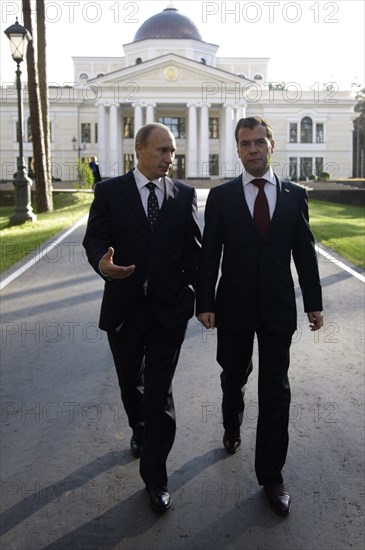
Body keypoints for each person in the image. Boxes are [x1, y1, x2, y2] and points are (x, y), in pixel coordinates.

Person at [196, 116, 323, 516]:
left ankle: (271, 476)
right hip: (232, 309)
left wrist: (314, 303)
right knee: (234, 377)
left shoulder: (294, 195)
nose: (252, 149)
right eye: (245, 143)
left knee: (276, 390)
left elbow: (304, 252)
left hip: (277, 310)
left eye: (259, 142)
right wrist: (204, 302)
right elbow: (209, 254)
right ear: (238, 149)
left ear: (272, 145)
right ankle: (231, 425)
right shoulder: (221, 197)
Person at [83, 123, 202, 512]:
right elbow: (95, 238)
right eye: (163, 150)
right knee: (130, 385)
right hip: (124, 310)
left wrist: (204, 299)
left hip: (169, 311)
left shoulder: (184, 195)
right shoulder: (109, 192)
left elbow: (195, 251)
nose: (170, 158)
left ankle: (156, 478)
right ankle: (138, 429)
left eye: (173, 151)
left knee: (159, 393)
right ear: (139, 149)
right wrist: (102, 263)